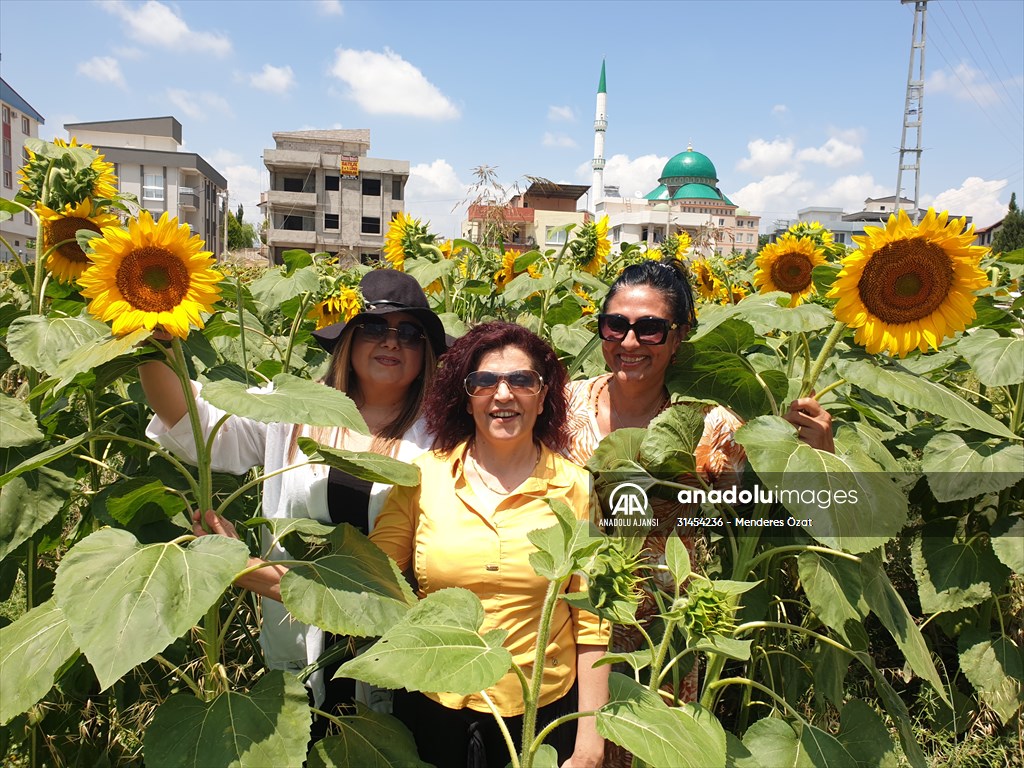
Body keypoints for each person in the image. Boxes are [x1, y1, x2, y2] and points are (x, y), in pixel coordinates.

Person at [563, 258, 833, 767]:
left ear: (680, 335)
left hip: (663, 631)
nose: (629, 342)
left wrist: (814, 452)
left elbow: (765, 511)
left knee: (651, 748)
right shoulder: (562, 404)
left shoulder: (710, 426)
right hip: (569, 617)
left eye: (651, 329)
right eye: (615, 324)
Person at [140, 269, 447, 718]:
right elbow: (195, 422)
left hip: (394, 646)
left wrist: (242, 570)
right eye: (374, 328)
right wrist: (152, 336)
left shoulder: (443, 433)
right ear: (346, 338)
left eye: (410, 333)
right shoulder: (295, 405)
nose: (392, 342)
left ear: (427, 352)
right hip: (300, 639)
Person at [370, 322, 608, 768]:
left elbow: (592, 620)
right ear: (467, 396)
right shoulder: (425, 476)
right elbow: (371, 574)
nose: (503, 394)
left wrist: (590, 743)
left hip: (540, 709)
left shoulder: (575, 488)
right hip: (433, 699)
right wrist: (253, 569)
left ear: (543, 396)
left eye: (521, 380)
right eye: (485, 381)